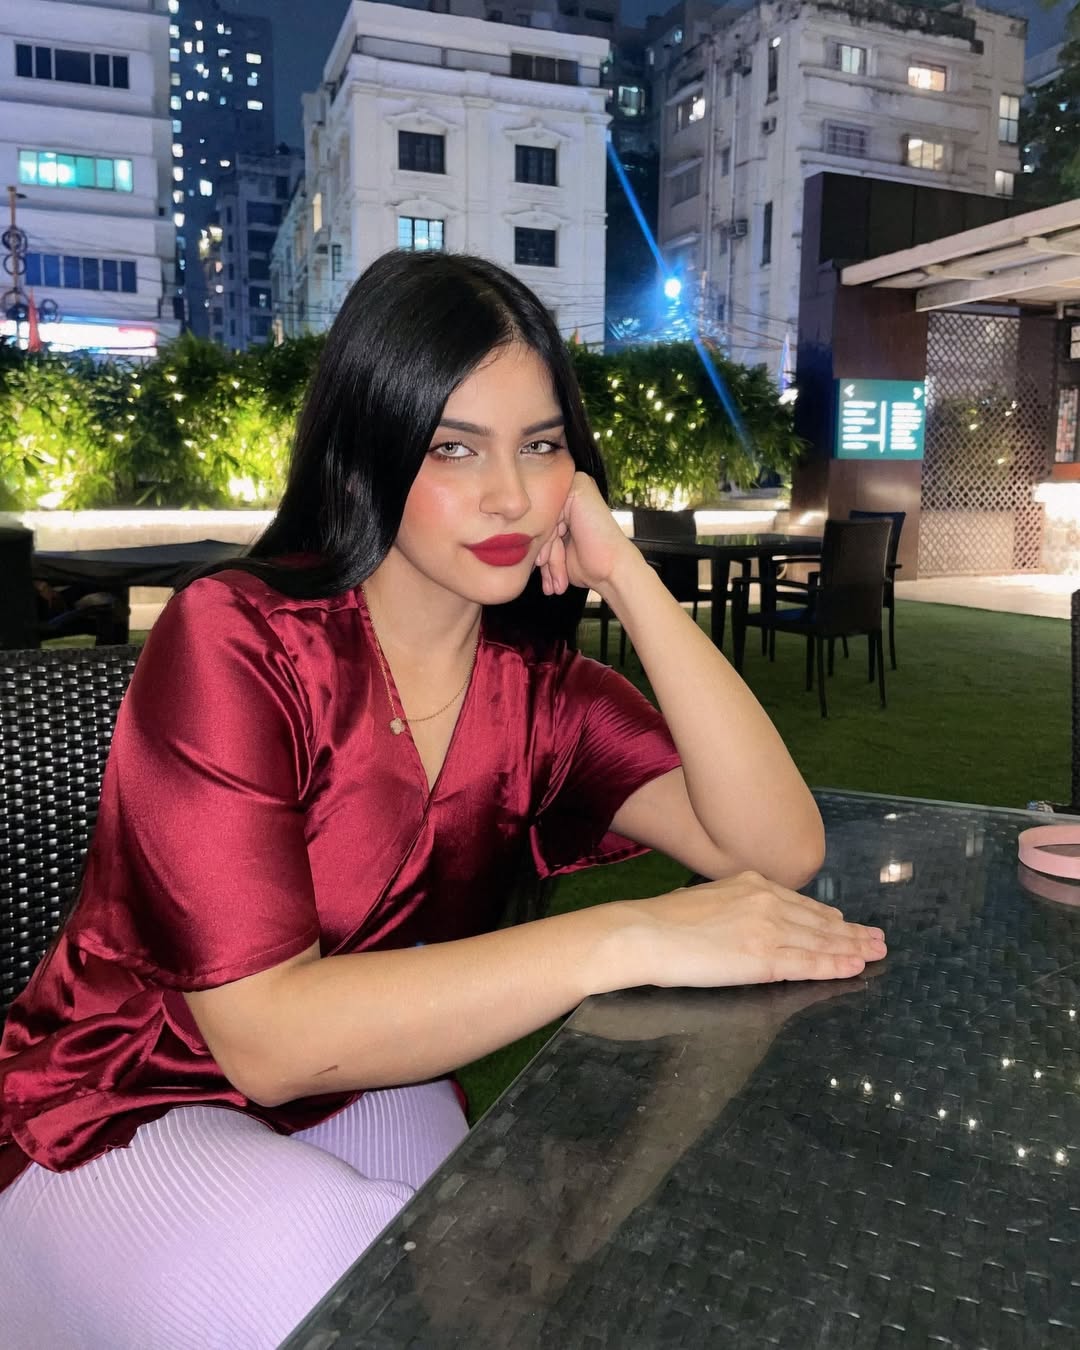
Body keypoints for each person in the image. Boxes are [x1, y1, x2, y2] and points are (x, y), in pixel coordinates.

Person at [0, 251, 886, 1348]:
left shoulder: (541, 693)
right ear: (366, 455)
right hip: (113, 1101)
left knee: (468, 1272)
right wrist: (627, 935)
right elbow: (267, 1039)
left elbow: (777, 848)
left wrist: (628, 577)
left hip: (352, 1080)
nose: (511, 495)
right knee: (341, 1269)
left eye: (542, 446)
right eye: (453, 448)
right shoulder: (239, 640)